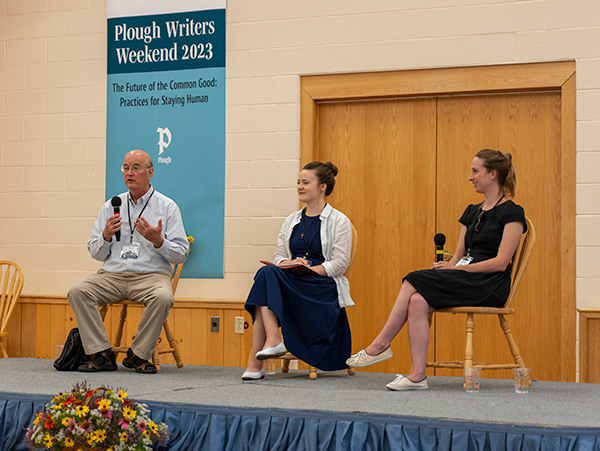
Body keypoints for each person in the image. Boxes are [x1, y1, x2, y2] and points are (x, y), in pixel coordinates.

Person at [346, 149, 526, 391]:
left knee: (413, 278)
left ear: (493, 174)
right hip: (465, 278)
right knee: (418, 301)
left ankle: (380, 345)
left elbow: (501, 262)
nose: (470, 177)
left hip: (489, 285)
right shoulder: (472, 211)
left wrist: (457, 272)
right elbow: (460, 256)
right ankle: (418, 376)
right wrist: (449, 267)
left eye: (475, 171)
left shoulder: (513, 212)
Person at [68, 149, 189, 374]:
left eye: (135, 168)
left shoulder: (167, 207)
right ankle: (102, 353)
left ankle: (138, 354)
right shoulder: (111, 205)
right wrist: (104, 236)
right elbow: (96, 253)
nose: (129, 173)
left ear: (150, 172)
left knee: (163, 297)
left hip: (150, 276)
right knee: (78, 291)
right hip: (112, 275)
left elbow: (182, 253)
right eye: (125, 168)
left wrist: (159, 241)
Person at [241, 161, 354, 381]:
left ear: (322, 187)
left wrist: (311, 269)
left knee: (264, 280)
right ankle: (272, 340)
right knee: (267, 274)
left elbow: (340, 264)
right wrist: (290, 264)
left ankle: (256, 362)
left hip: (321, 286)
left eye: (305, 182)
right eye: (298, 182)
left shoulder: (339, 221)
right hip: (293, 280)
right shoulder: (292, 220)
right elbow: (279, 256)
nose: (300, 187)